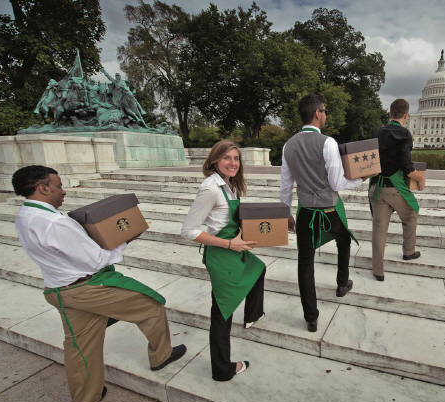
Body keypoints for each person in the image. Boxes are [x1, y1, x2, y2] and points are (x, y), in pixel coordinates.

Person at [12, 165, 186, 402]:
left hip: (60, 290)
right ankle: (161, 355)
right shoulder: (56, 222)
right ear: (43, 187)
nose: (63, 192)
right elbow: (95, 261)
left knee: (80, 346)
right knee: (150, 305)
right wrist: (126, 237)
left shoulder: (25, 216)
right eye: (59, 186)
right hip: (87, 288)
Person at [180, 140, 265, 380]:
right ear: (215, 160)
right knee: (222, 313)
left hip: (234, 249)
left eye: (236, 158)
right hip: (221, 254)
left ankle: (252, 314)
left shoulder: (229, 185)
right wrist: (230, 244)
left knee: (258, 269)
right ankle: (222, 368)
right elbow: (189, 231)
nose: (233, 163)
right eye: (227, 158)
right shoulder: (211, 188)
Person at [280, 93, 363, 332]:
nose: (325, 115)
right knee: (344, 239)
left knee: (304, 262)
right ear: (317, 113)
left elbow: (286, 185)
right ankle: (341, 283)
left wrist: (286, 212)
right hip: (328, 209)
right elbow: (337, 183)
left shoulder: (288, 145)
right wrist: (359, 179)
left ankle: (311, 316)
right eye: (325, 111)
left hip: (305, 212)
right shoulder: (328, 142)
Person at [368, 98, 425, 281]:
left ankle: (378, 271)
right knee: (411, 214)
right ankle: (408, 251)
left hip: (376, 187)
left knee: (379, 228)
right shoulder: (405, 134)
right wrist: (420, 178)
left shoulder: (377, 132)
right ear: (406, 115)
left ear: (389, 113)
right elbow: (406, 166)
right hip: (394, 188)